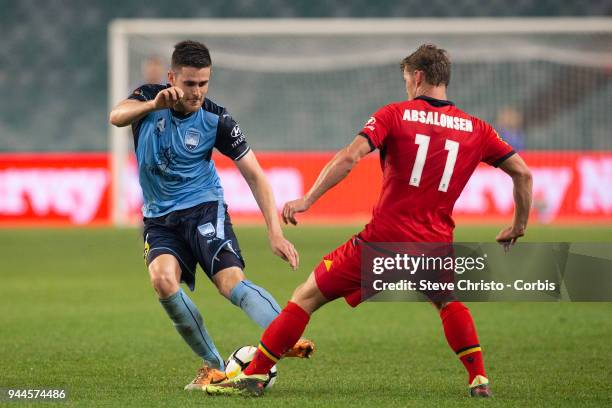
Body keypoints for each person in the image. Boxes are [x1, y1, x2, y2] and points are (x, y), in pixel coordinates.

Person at [205, 44, 533, 398]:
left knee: (305, 297)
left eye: (407, 79)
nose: (406, 86)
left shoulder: (394, 114)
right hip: (435, 244)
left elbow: (349, 157)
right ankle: (479, 379)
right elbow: (523, 175)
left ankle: (253, 375)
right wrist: (518, 225)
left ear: (418, 77)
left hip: (382, 241)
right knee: (448, 302)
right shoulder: (477, 129)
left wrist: (308, 199)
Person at [109, 40, 314, 391]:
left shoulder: (216, 118)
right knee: (162, 281)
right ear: (173, 78)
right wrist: (151, 104)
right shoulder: (147, 97)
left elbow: (255, 175)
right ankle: (214, 366)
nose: (197, 92)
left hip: (203, 208)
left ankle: (284, 334)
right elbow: (116, 116)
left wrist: (275, 232)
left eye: (204, 83)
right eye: (190, 84)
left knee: (229, 282)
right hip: (159, 219)